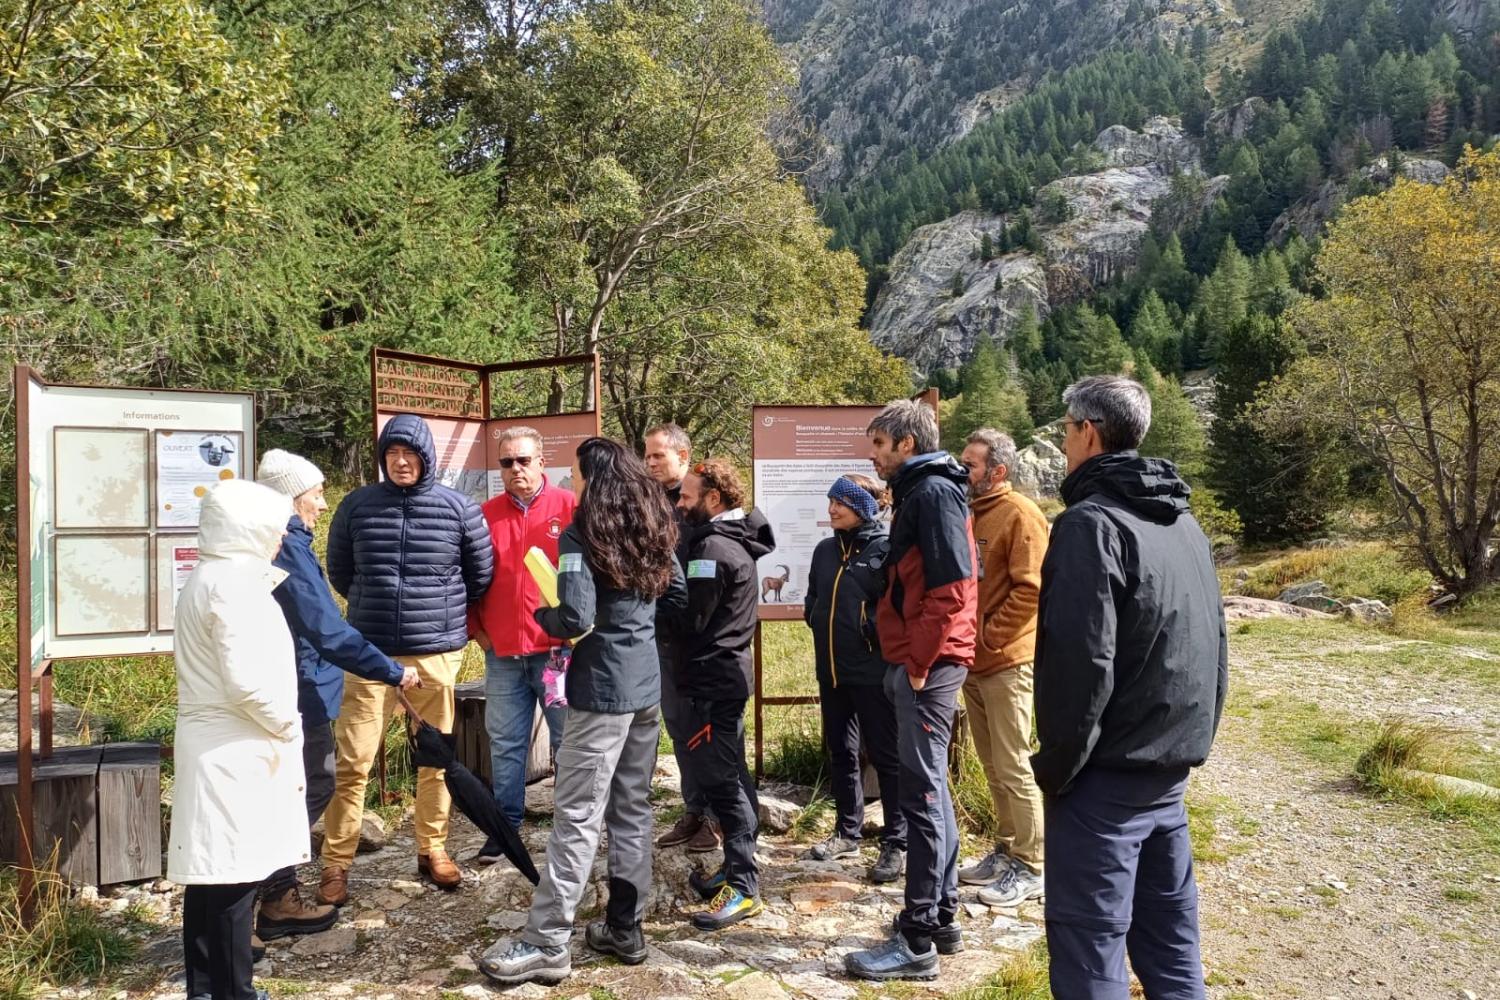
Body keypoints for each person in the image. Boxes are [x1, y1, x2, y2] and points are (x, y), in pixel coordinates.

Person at [1034, 376, 1228, 1000]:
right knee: (1171, 950)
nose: (1064, 441)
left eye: (1066, 429)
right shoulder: (1184, 523)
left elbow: (1079, 663)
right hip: (1168, 772)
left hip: (1105, 781)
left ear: (1088, 432)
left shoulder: (1090, 524)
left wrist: (1057, 769)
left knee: (1091, 955)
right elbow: (1215, 644)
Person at [478, 438, 687, 985]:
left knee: (576, 816)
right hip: (645, 687)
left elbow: (573, 616)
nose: (574, 485)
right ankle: (625, 926)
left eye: (576, 476)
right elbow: (678, 595)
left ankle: (547, 941)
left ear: (593, 480)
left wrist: (545, 613)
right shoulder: (655, 525)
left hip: (598, 691)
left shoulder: (581, 534)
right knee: (632, 808)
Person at [319, 414, 494, 903]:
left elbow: (480, 574)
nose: (400, 461)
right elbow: (340, 571)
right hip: (368, 653)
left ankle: (432, 848)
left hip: (435, 652)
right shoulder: (356, 506)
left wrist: (439, 621)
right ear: (382, 458)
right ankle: (336, 864)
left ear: (426, 458)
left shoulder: (458, 509)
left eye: (409, 453)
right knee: (353, 760)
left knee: (435, 759)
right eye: (392, 453)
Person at [252, 450, 421, 939]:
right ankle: (255, 893)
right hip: (296, 688)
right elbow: (325, 628)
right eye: (316, 494)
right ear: (291, 498)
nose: (323, 505)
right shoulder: (285, 546)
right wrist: (389, 670)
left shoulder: (287, 542)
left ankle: (276, 896)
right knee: (313, 785)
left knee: (304, 787)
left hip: (302, 683)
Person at [845, 399, 977, 982]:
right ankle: (941, 917)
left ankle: (916, 937)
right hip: (921, 658)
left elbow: (951, 588)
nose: (872, 456)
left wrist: (920, 661)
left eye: (878, 445)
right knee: (933, 792)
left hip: (929, 662)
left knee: (920, 797)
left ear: (905, 443)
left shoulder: (932, 493)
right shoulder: (925, 489)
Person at [170, 480, 308, 1000]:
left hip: (218, 741)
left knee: (209, 874)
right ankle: (234, 992)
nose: (278, 541)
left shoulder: (211, 575)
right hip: (238, 745)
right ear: (248, 530)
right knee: (235, 876)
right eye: (273, 530)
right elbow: (248, 679)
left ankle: (204, 986)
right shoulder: (234, 585)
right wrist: (286, 724)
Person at [659, 458, 775, 930]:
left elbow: (690, 621)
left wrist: (648, 603)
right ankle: (733, 868)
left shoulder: (710, 550)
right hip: (717, 681)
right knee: (725, 776)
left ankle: (745, 887)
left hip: (710, 685)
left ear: (713, 499)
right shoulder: (727, 542)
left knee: (724, 783)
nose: (679, 505)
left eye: (686, 497)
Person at [954, 429, 1050, 907]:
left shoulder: (1021, 516)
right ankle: (1006, 850)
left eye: (970, 464)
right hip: (973, 662)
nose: (962, 470)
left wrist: (989, 636)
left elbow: (1030, 590)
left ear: (998, 471)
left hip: (1007, 662)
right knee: (991, 763)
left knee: (1013, 763)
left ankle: (1032, 865)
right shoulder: (970, 513)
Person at [468, 426, 576, 850]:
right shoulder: (484, 515)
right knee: (505, 742)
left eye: (524, 460)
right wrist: (475, 630)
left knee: (568, 741)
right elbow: (469, 577)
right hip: (503, 654)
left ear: (542, 462)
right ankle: (505, 826)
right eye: (507, 462)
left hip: (556, 654)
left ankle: (570, 828)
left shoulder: (569, 508)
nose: (516, 469)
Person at [801, 474, 906, 884]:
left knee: (885, 755)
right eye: (830, 502)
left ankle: (897, 840)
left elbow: (895, 607)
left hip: (871, 671)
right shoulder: (825, 551)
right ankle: (847, 830)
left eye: (840, 503)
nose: (832, 509)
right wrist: (813, 616)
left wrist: (870, 631)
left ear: (863, 507)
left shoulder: (886, 550)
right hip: (831, 670)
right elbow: (813, 598)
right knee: (841, 751)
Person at [643, 423, 721, 853]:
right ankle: (693, 809)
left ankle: (716, 815)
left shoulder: (701, 502)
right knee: (677, 723)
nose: (650, 463)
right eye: (647, 456)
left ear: (684, 457)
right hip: (664, 633)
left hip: (704, 635)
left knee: (708, 727)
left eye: (658, 456)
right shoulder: (647, 502)